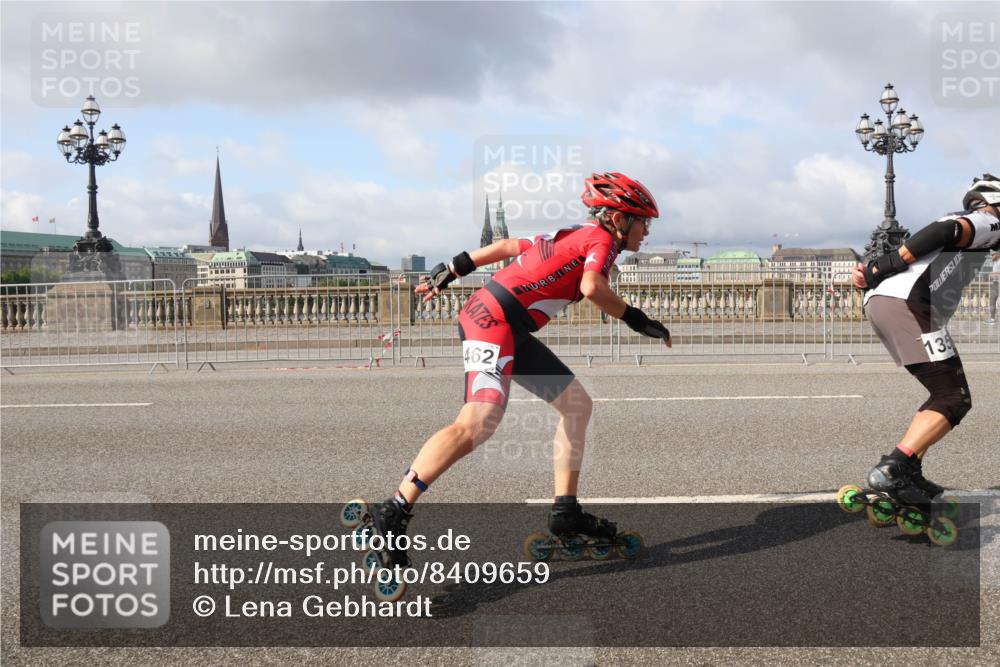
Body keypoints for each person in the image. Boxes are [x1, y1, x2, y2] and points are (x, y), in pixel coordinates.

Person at [369, 172, 672, 566]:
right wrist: (638, 320)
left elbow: (511, 245)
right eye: (642, 220)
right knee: (479, 421)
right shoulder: (599, 240)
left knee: (576, 405)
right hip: (492, 320)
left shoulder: (572, 235)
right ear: (617, 219)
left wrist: (453, 267)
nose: (646, 230)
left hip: (508, 325)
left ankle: (566, 512)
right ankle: (393, 510)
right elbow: (592, 288)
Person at [851, 172, 1000, 509]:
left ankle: (908, 468)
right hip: (908, 306)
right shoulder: (989, 221)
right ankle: (894, 470)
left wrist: (872, 270)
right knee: (953, 396)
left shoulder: (978, 228)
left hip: (888, 303)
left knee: (944, 394)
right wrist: (885, 264)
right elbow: (944, 232)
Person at [987, 249, 1000, 325]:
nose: (992, 256)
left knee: (993, 301)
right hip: (995, 283)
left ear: (998, 254)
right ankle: (992, 319)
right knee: (992, 301)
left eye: (993, 255)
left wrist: (993, 275)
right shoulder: (996, 263)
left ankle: (992, 319)